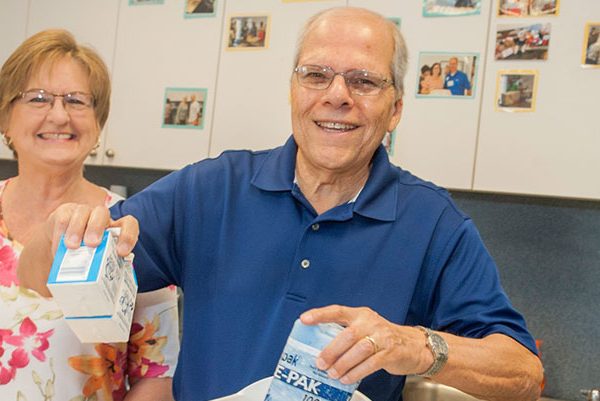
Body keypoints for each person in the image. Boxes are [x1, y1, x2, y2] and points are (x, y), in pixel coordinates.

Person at [18, 8, 543, 401]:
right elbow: (41, 281)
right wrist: (59, 234)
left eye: (363, 81)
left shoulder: (433, 225)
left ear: (395, 109)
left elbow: (523, 373)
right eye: (316, 75)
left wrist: (417, 347)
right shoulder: (209, 190)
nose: (337, 95)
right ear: (294, 90)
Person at [0, 29, 179, 401]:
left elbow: (157, 375)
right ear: (5, 120)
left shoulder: (131, 226)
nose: (60, 115)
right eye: (38, 98)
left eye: (77, 101)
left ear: (98, 125)